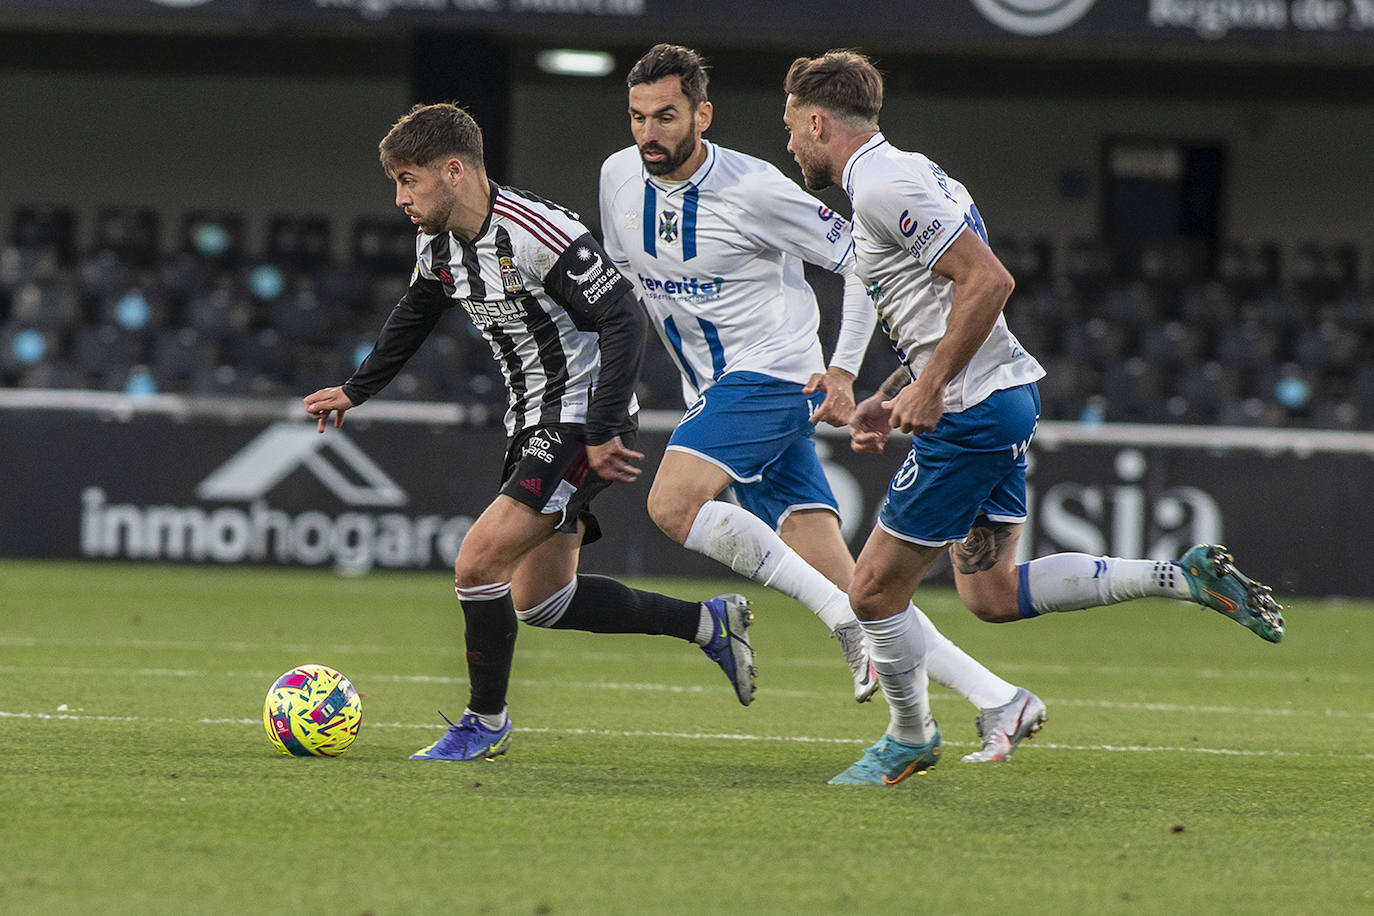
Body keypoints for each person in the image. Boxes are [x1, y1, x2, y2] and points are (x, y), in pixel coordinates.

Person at [780, 50, 1285, 786]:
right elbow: (933, 307)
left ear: (819, 122)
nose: (789, 142)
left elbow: (990, 281)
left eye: (791, 127)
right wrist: (896, 394)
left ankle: (911, 736)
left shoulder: (884, 184)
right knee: (991, 593)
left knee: (870, 593)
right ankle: (1182, 578)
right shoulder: (913, 174)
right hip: (1001, 398)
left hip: (973, 413)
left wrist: (933, 389)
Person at [600, 42, 1047, 764]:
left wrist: (840, 372)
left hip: (774, 376)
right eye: (637, 117)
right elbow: (629, 299)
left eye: (667, 116)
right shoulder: (617, 178)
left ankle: (843, 626)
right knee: (863, 588)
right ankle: (998, 696)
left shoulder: (758, 189)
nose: (649, 133)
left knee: (672, 506)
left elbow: (863, 266)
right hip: (712, 391)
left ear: (702, 116)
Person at [304, 102, 759, 763]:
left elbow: (624, 319)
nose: (400, 197)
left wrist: (604, 428)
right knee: (542, 600)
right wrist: (357, 389)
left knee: (477, 562)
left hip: (579, 418)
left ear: (453, 170)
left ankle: (484, 722)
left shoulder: (538, 232)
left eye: (409, 179)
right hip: (531, 423)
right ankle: (707, 622)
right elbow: (417, 310)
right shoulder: (436, 243)